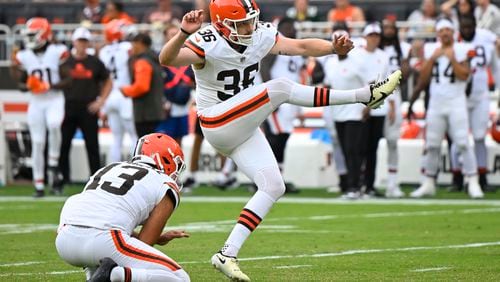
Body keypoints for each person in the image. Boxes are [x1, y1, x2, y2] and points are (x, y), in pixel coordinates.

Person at [158, 1, 402, 280]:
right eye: (242, 24)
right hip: (217, 120)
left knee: (273, 185)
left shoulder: (259, 34)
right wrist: (182, 34)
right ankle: (364, 95)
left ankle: (227, 253)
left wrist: (332, 48)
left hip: (243, 125)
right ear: (223, 24)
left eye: (252, 20)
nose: (250, 27)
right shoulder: (208, 40)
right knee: (280, 88)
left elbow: (299, 46)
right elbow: (167, 60)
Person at [55, 133, 190, 282]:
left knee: (80, 207)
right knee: (180, 278)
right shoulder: (166, 184)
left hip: (64, 239)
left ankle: (93, 275)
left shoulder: (109, 168)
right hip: (104, 240)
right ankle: (115, 275)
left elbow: (101, 216)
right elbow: (144, 243)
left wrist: (155, 238)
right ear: (165, 159)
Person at [408, 18, 483, 199]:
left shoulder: (462, 48)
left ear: (453, 32)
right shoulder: (429, 49)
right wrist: (433, 58)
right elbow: (423, 79)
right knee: (432, 145)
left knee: (463, 143)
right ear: (437, 33)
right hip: (436, 103)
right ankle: (428, 182)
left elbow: (465, 76)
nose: (445, 33)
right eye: (442, 30)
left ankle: (473, 181)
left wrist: (452, 59)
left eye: (448, 30)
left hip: (457, 102)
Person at [10, 17, 69, 197]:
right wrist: (27, 85)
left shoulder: (58, 51)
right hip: (36, 101)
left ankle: (52, 163)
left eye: (33, 34)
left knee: (53, 125)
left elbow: (69, 80)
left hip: (54, 99)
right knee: (37, 142)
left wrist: (49, 86)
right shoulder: (24, 56)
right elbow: (20, 84)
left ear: (44, 34)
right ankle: (39, 184)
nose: (29, 38)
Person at [449, 15, 499, 191]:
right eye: (464, 27)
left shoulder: (486, 40)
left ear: (475, 26)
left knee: (479, 137)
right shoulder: (454, 43)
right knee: (458, 137)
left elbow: (495, 67)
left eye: (470, 27)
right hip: (459, 96)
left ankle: (482, 176)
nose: (467, 30)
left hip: (480, 95)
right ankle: (456, 178)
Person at [58, 27, 112, 190]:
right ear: (74, 42)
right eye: (79, 41)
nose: (82, 44)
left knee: (92, 145)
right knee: (64, 144)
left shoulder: (94, 62)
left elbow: (108, 81)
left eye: (84, 41)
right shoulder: (65, 62)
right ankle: (63, 178)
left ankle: (95, 179)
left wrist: (100, 101)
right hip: (70, 106)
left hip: (88, 107)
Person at [322, 25, 367, 198]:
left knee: (352, 149)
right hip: (337, 112)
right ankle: (351, 184)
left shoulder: (358, 62)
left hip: (355, 111)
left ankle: (355, 186)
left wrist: (367, 107)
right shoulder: (330, 62)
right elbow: (328, 84)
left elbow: (369, 84)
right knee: (344, 149)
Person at [356, 22, 390, 198]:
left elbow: (386, 81)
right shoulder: (358, 55)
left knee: (373, 148)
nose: (374, 39)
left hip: (379, 107)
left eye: (377, 36)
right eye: (371, 35)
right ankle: (358, 183)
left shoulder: (383, 56)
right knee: (360, 147)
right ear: (365, 37)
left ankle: (369, 184)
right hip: (362, 107)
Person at [380, 19, 412, 198]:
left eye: (391, 28)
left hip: (395, 94)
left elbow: (405, 75)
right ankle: (371, 180)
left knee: (392, 141)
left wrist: (407, 63)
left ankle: (392, 183)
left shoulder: (404, 49)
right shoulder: (373, 49)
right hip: (375, 94)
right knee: (370, 141)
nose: (388, 31)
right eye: (385, 28)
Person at [99, 19, 138, 163]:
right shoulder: (127, 47)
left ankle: (112, 170)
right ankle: (139, 168)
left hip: (110, 96)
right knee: (135, 136)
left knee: (116, 138)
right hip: (124, 94)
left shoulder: (103, 51)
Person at [121, 33, 165, 137]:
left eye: (134, 43)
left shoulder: (142, 62)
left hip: (145, 113)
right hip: (156, 111)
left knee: (145, 145)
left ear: (140, 44)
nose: (132, 47)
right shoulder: (155, 59)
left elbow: (141, 87)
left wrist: (125, 91)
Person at [157, 25, 195, 146]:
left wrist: (190, 86)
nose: (175, 37)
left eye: (177, 34)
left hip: (184, 105)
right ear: (165, 37)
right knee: (165, 140)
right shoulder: (159, 57)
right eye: (171, 34)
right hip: (168, 105)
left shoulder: (190, 54)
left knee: (180, 140)